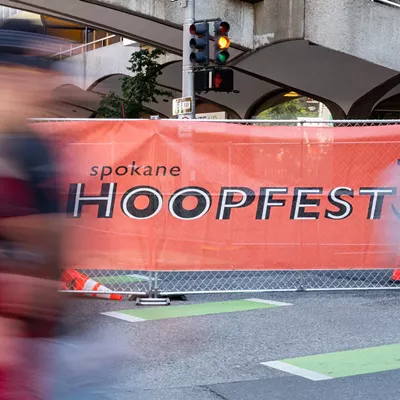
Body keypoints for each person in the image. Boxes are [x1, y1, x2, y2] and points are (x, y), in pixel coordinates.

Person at [0, 18, 65, 399]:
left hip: (30, 351)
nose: (47, 83)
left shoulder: (35, 146)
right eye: (37, 68)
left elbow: (52, 242)